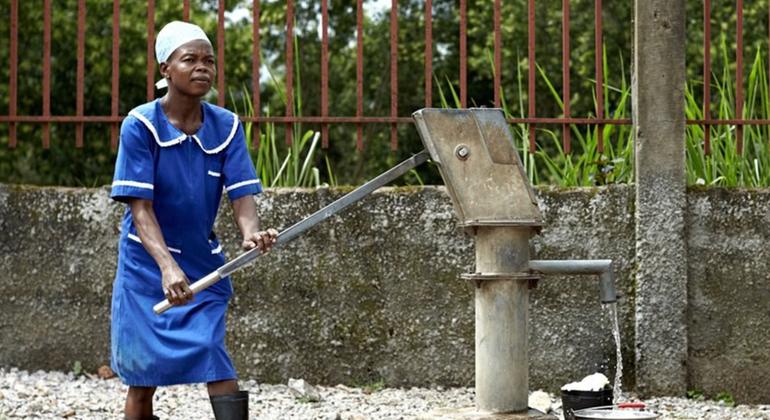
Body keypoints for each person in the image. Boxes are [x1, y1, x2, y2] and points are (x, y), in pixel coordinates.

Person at [109, 21, 276, 420]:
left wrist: (252, 234)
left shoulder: (227, 126)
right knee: (142, 375)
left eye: (209, 60)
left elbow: (241, 195)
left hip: (204, 264)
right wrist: (167, 268)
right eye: (190, 59)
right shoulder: (140, 125)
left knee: (212, 354)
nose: (203, 67)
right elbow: (140, 208)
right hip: (146, 269)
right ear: (165, 68)